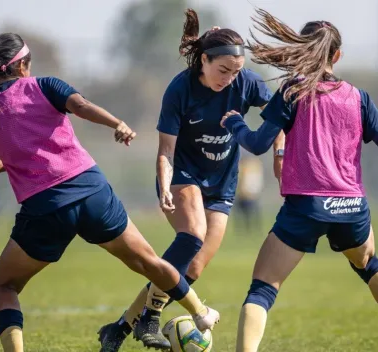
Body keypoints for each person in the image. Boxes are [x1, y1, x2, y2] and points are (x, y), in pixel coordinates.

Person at [0, 33, 220, 352]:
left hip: (45, 208)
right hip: (91, 191)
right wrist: (116, 123)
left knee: (5, 285)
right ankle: (201, 313)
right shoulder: (44, 86)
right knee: (149, 261)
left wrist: (8, 162)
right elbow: (80, 106)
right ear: (23, 65)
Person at [219, 9, 378, 352]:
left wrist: (234, 123)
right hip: (352, 207)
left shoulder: (292, 92)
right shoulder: (359, 98)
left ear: (302, 50)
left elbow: (256, 143)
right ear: (338, 55)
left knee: (263, 287)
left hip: (306, 206)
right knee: (368, 263)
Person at [98, 8, 284, 351]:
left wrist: (279, 154)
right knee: (193, 234)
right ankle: (151, 319)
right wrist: (165, 185)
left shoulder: (247, 83)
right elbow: (165, 151)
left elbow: (279, 116)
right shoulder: (179, 90)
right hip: (182, 174)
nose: (229, 78)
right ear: (203, 60)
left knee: (192, 267)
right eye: (222, 69)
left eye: (236, 71)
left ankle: (120, 328)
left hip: (222, 184)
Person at [234, 154, 264, 234]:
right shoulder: (248, 170)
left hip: (250, 195)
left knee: (251, 214)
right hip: (246, 195)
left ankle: (252, 229)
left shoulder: (250, 170)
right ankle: (246, 229)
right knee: (245, 214)